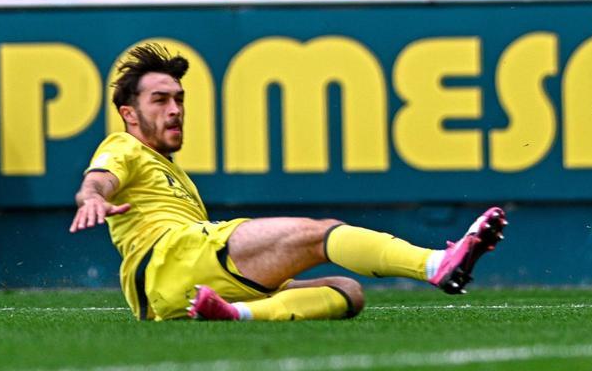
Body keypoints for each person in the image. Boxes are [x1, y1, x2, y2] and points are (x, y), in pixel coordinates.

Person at [70, 43, 507, 322]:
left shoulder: (172, 172)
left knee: (347, 293)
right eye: (160, 100)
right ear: (130, 114)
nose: (175, 110)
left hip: (177, 288)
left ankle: (233, 314)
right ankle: (435, 265)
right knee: (320, 234)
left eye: (180, 99)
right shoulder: (125, 146)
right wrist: (91, 197)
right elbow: (100, 179)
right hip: (170, 259)